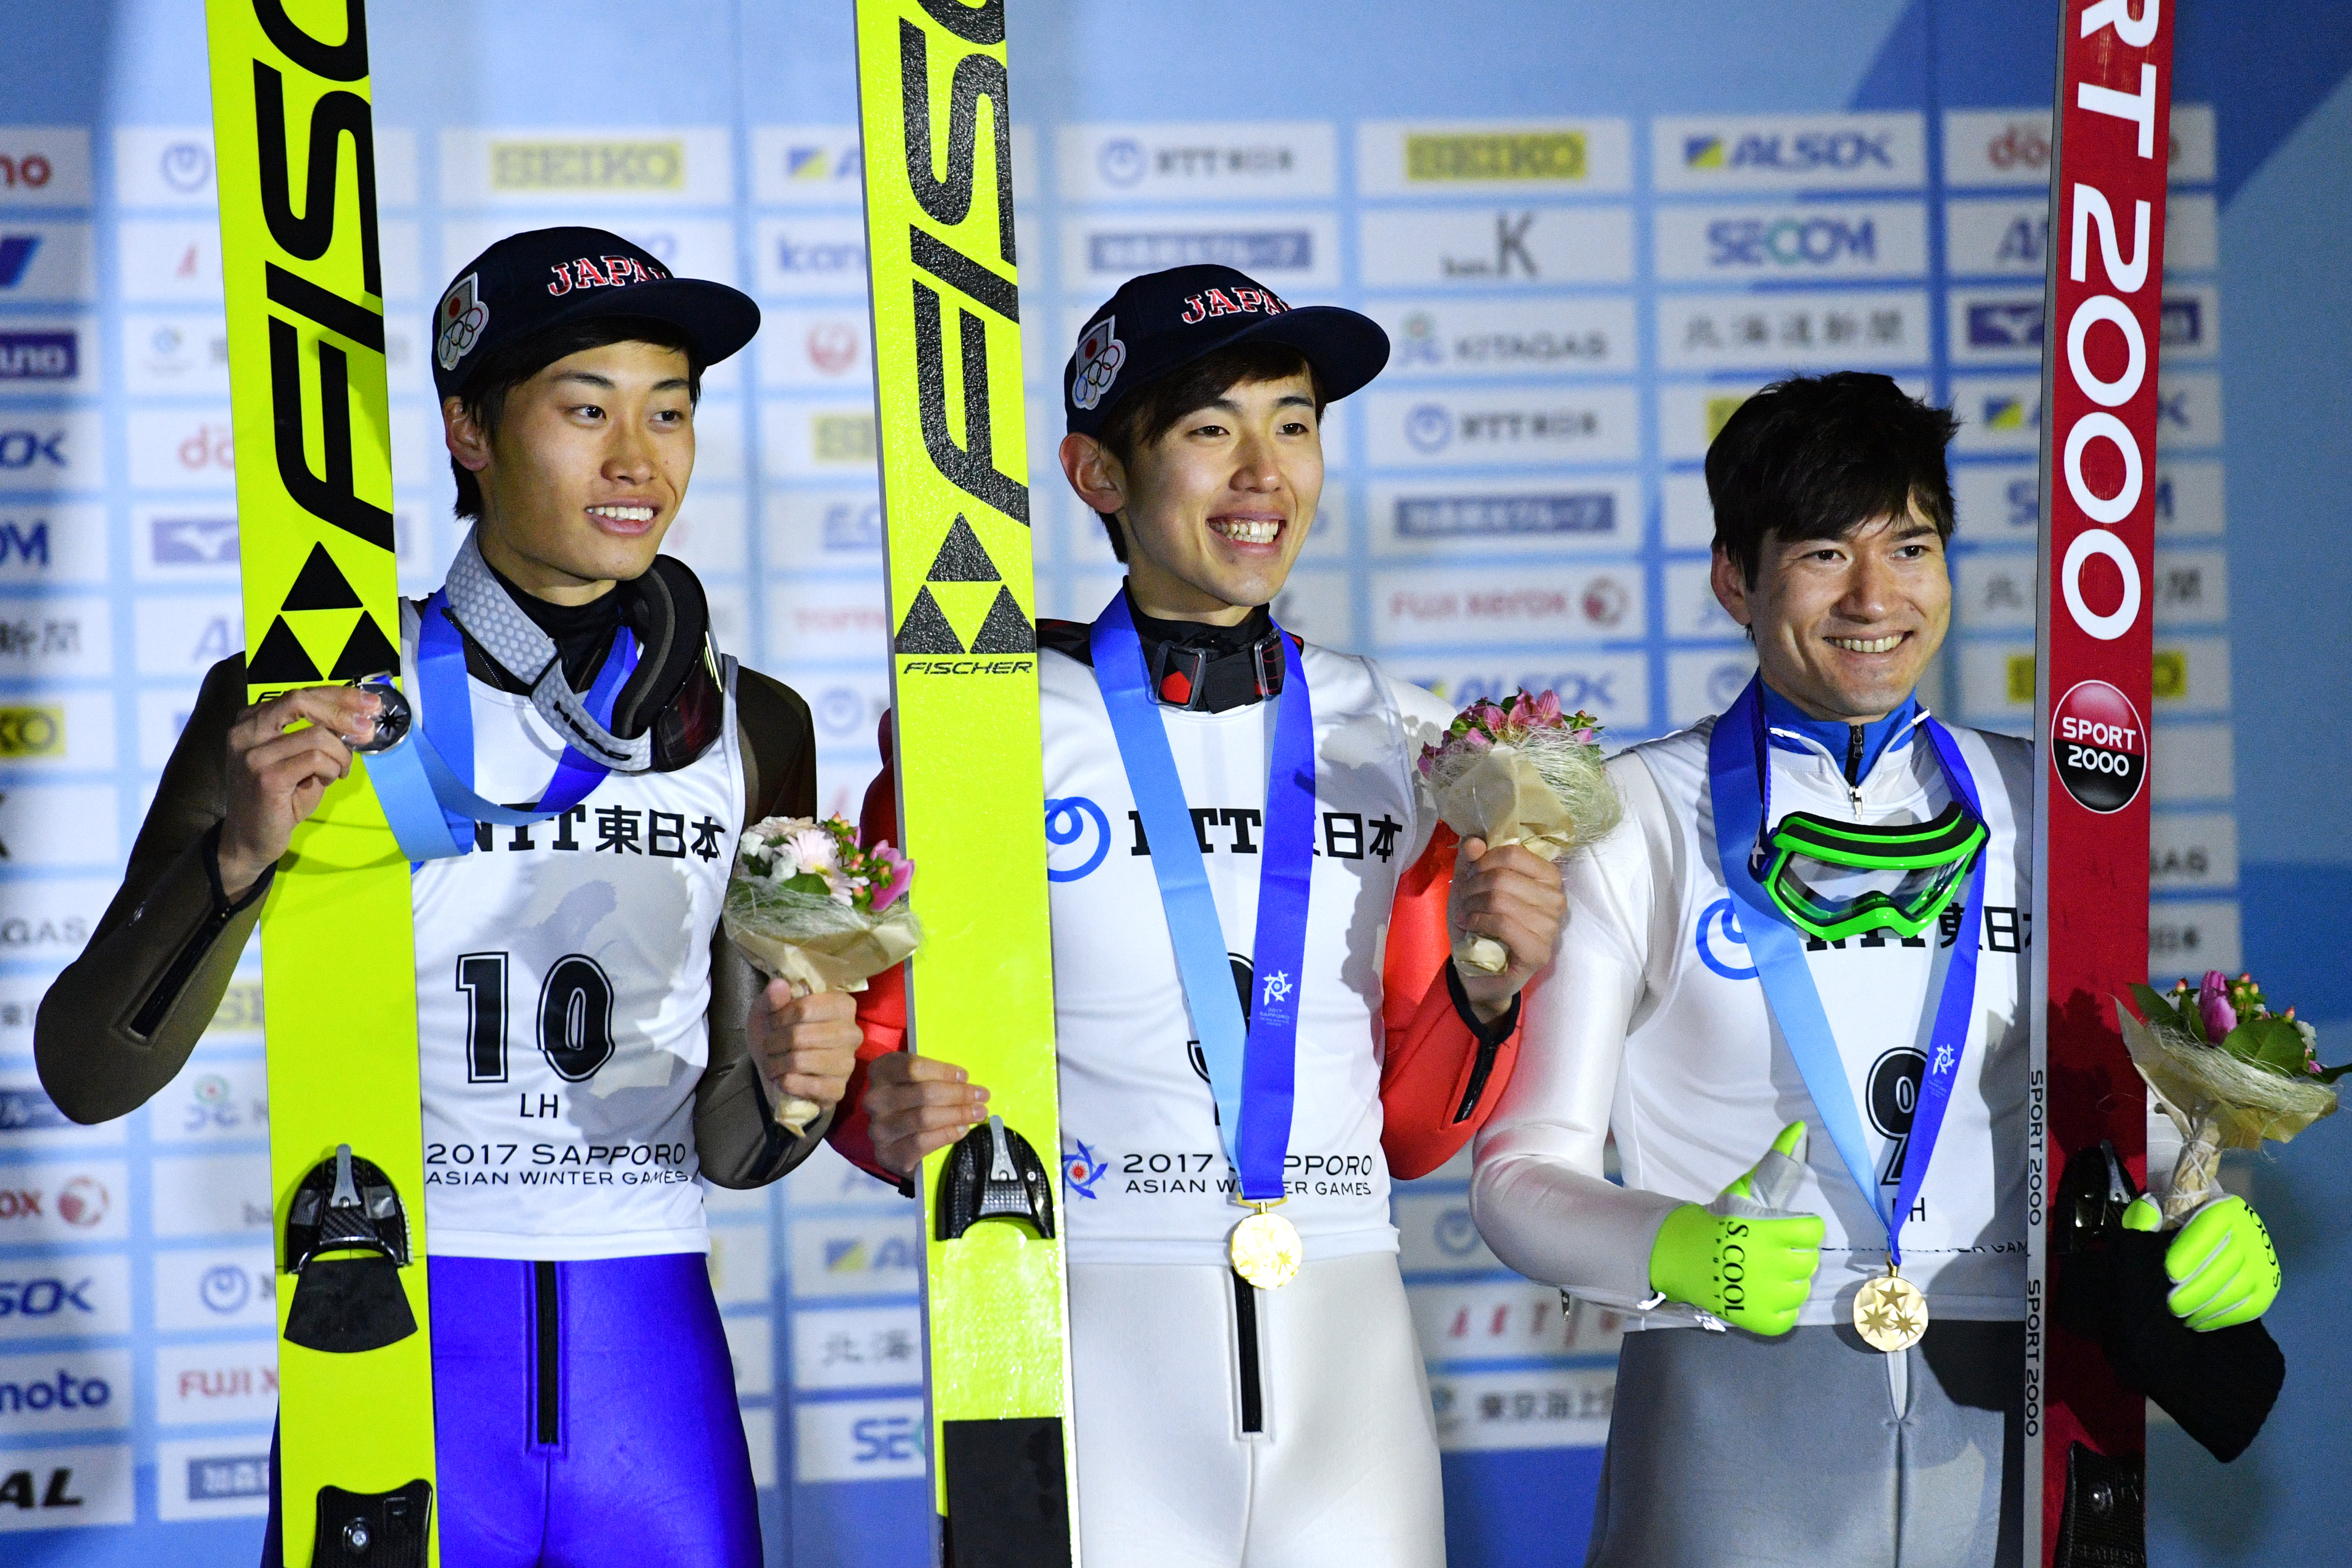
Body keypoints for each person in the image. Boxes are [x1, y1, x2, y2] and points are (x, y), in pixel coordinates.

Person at [35, 227, 864, 1567]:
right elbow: (87, 1072)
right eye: (585, 410)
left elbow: (735, 1143)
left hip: (648, 1357)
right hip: (394, 1334)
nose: (637, 461)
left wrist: (791, 1082)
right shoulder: (305, 696)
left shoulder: (751, 720)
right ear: (469, 429)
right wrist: (235, 861)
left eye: (670, 411)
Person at [1468, 372, 2283, 1567]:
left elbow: (2131, 1121)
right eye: (1819, 555)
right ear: (1733, 579)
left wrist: (2210, 1216)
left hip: (2005, 1398)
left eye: (1910, 546)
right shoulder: (1640, 814)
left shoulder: (2044, 807)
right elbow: (1515, 1175)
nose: (1873, 598)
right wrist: (1671, 1246)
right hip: (1727, 1403)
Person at [824, 263, 1565, 1568]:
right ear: (1098, 475)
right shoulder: (984, 730)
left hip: (1349, 1329)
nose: (1262, 472)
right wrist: (881, 1114)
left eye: (1293, 424)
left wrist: (1487, 990)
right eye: (1209, 431)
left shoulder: (1389, 732)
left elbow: (1407, 1126)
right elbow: (880, 1066)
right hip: (1097, 1317)